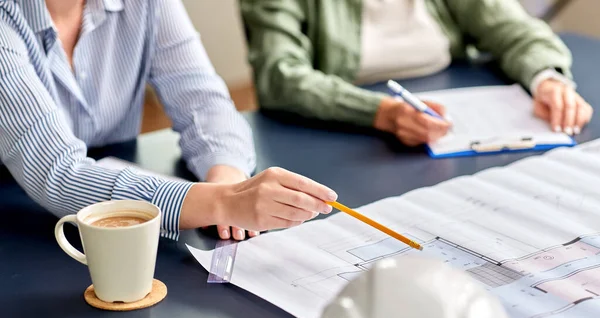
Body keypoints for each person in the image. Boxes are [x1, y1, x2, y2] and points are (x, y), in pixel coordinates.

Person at [0, 0, 337, 242]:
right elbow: (58, 173)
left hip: (111, 221)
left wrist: (227, 175)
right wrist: (223, 202)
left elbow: (202, 99)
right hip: (17, 221)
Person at [241, 0, 594, 146]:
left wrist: (547, 77)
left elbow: (515, 29)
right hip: (341, 130)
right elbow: (280, 75)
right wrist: (382, 113)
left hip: (456, 116)